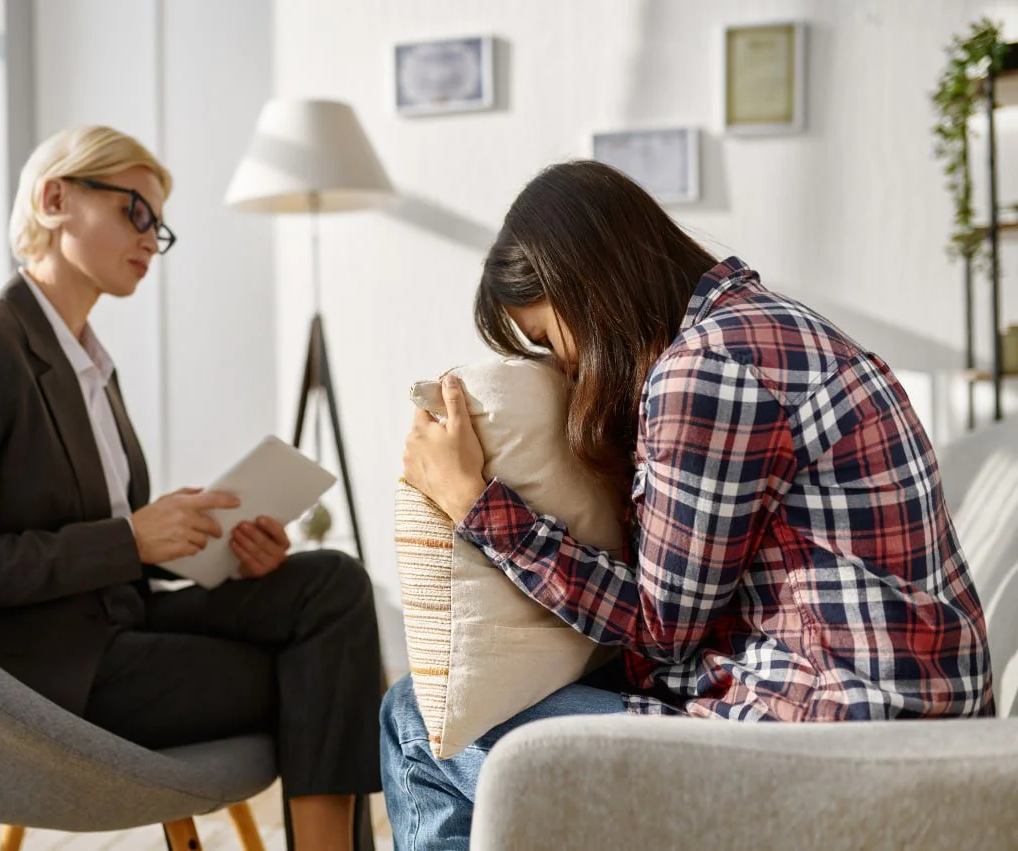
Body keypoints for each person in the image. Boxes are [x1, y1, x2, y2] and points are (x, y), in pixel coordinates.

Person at [387, 160, 994, 849]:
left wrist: (475, 504)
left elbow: (658, 630)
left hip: (831, 743)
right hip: (903, 714)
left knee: (413, 720)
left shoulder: (705, 369)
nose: (571, 368)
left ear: (593, 293)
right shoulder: (763, 324)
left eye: (555, 342)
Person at [0, 125, 382, 851]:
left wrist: (197, 538)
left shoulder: (94, 369)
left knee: (332, 583)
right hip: (54, 672)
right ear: (55, 199)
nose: (152, 239)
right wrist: (131, 538)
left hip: (125, 626)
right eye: (136, 212)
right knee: (320, 670)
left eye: (160, 225)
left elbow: (108, 537)